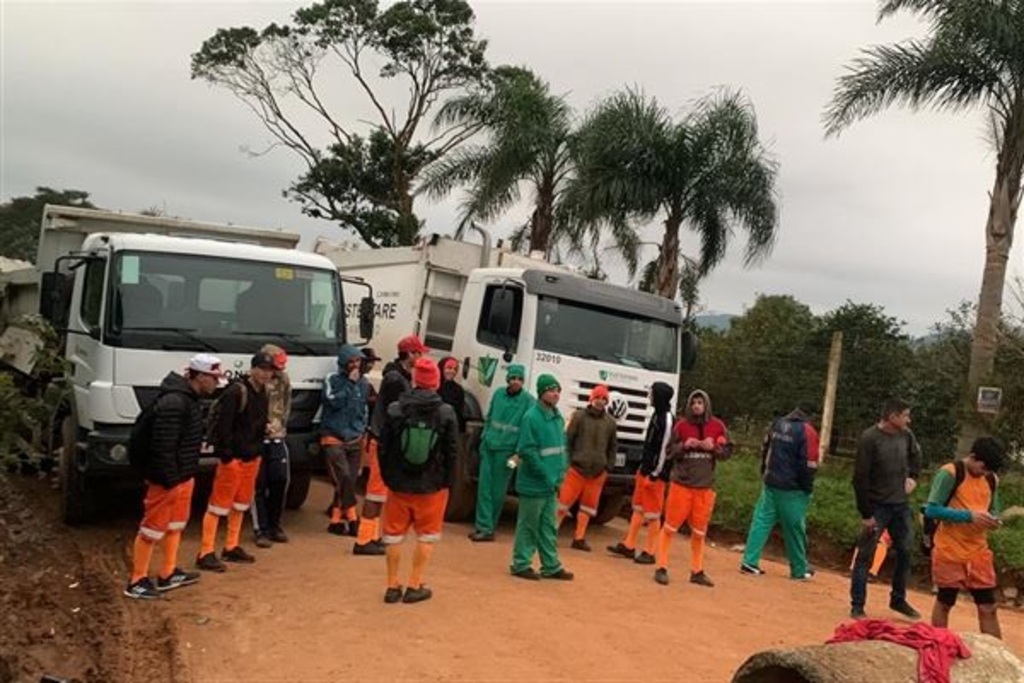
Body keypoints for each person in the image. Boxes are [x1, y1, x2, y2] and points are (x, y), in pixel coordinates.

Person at [124, 354, 223, 599]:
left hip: (182, 476)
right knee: (151, 529)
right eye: (213, 379)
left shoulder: (188, 400)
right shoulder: (175, 403)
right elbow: (163, 446)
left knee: (174, 526)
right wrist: (169, 479)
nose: (216, 384)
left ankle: (168, 573)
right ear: (200, 377)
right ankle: (137, 580)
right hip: (168, 479)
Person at [378, 358, 458, 604]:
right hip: (431, 487)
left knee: (393, 535)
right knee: (426, 536)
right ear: (436, 381)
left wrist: (389, 477)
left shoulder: (395, 409)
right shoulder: (446, 412)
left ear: (414, 380)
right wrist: (447, 481)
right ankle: (415, 584)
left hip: (399, 485)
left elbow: (383, 448)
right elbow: (452, 450)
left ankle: (392, 586)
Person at [196, 352, 273, 572]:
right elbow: (224, 426)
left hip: (252, 456)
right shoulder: (236, 391)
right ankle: (206, 551)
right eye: (263, 369)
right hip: (234, 458)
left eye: (269, 371)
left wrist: (263, 431)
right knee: (218, 505)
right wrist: (227, 455)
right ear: (253, 369)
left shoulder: (263, 392)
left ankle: (231, 545)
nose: (266, 374)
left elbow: (256, 421)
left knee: (240, 504)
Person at [850, 398, 922, 620]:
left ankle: (898, 600)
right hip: (877, 506)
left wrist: (913, 477)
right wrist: (866, 514)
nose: (908, 420)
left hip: (900, 506)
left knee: (906, 550)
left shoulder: (906, 435)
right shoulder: (869, 439)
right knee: (865, 555)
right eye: (905, 415)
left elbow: (916, 456)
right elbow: (860, 478)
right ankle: (858, 605)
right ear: (892, 417)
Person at [926, 437, 1005, 639]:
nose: (985, 473)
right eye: (983, 467)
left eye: (989, 470)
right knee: (945, 602)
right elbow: (932, 509)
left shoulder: (991, 479)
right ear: (972, 457)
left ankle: (996, 655)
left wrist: (994, 520)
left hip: (978, 551)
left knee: (988, 607)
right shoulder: (950, 473)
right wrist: (969, 516)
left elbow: (993, 509)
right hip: (949, 549)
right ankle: (939, 645)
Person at [654, 389, 731, 588]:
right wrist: (685, 445)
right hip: (682, 485)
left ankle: (697, 571)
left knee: (699, 532)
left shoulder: (717, 426)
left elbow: (727, 452)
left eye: (700, 402)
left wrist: (713, 447)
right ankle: (661, 567)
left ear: (706, 405)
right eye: (693, 402)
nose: (697, 406)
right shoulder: (681, 426)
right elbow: (669, 451)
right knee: (670, 527)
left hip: (704, 488)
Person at [359, 335, 428, 553]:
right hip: (381, 442)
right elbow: (401, 411)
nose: (422, 357)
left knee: (380, 494)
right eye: (419, 353)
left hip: (384, 441)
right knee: (375, 493)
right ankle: (363, 540)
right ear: (410, 354)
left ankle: (372, 536)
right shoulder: (395, 379)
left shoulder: (399, 376)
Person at [739, 406, 820, 579]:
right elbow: (809, 464)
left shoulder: (777, 425)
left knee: (761, 520)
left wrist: (764, 473)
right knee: (795, 528)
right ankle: (799, 569)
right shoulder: (808, 431)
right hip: (793, 488)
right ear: (810, 416)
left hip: (771, 482)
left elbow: (765, 449)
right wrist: (807, 488)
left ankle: (749, 561)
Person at [509, 374, 573, 581]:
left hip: (551, 484)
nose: (555, 394)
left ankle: (551, 565)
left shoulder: (557, 417)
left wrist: (561, 471)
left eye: (558, 390)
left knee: (548, 526)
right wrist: (546, 475)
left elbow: (561, 449)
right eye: (551, 390)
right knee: (528, 525)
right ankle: (521, 564)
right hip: (535, 483)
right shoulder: (531, 417)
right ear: (541, 392)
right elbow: (527, 450)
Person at [608, 381, 674, 564]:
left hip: (656, 476)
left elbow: (663, 450)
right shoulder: (656, 414)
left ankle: (651, 552)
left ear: (659, 396)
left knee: (653, 514)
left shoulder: (666, 419)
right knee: (637, 508)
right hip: (644, 471)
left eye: (652, 393)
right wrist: (642, 469)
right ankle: (628, 545)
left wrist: (654, 474)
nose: (649, 396)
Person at [468, 364, 534, 542]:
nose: (516, 382)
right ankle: (483, 526)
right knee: (484, 487)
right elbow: (489, 418)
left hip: (508, 453)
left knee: (498, 491)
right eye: (513, 378)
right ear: (508, 379)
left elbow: (528, 430)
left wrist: (518, 454)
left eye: (519, 379)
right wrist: (484, 439)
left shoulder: (528, 401)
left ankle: (488, 527)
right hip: (489, 447)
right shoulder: (498, 394)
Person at [321, 345, 374, 551]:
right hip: (333, 437)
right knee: (342, 477)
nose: (355, 366)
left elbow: (363, 410)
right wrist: (350, 385)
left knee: (350, 480)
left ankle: (335, 521)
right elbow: (332, 401)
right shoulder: (332, 380)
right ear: (343, 363)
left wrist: (361, 431)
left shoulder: (365, 383)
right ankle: (353, 519)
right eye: (352, 362)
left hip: (354, 438)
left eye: (358, 362)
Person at [556, 384, 617, 551]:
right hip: (576, 469)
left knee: (588, 508)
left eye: (604, 399)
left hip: (597, 474)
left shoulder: (610, 423)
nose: (600, 401)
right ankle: (550, 533)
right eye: (598, 398)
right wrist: (566, 463)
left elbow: (613, 447)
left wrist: (608, 467)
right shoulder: (578, 417)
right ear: (591, 398)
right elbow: (567, 441)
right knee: (562, 505)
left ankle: (579, 538)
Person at [252, 344, 292, 548]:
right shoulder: (252, 382)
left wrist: (281, 427)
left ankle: (276, 525)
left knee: (280, 480)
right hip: (257, 439)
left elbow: (286, 404)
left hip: (277, 436)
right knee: (258, 485)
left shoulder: (283, 379)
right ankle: (261, 528)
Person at [438, 356, 466, 433]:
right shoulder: (433, 385)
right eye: (449, 368)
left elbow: (459, 413)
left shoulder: (458, 389)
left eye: (455, 369)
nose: (453, 371)